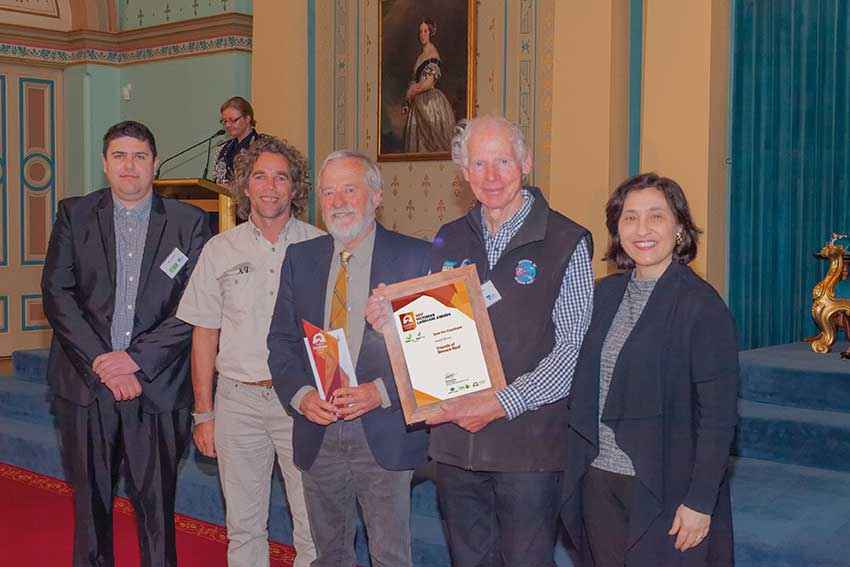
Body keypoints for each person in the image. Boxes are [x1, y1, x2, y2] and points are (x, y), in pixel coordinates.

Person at [367, 115, 594, 566]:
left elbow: (572, 351)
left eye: (503, 161)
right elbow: (429, 329)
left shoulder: (566, 241)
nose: (491, 176)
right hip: (455, 446)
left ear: (526, 163)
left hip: (527, 447)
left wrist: (502, 403)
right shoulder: (448, 238)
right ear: (464, 172)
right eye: (479, 164)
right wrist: (391, 323)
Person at [42, 120, 211, 567]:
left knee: (156, 507)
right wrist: (103, 362)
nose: (129, 166)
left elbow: (195, 305)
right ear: (104, 164)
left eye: (139, 156)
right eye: (119, 156)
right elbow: (57, 294)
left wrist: (134, 361)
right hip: (87, 384)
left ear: (156, 164)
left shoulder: (190, 222)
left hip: (156, 386)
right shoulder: (74, 214)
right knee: (90, 505)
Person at [560, 173, 738, 566]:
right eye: (630, 218)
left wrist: (700, 501)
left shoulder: (701, 306)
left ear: (679, 228)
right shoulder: (603, 295)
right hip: (598, 478)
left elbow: (719, 416)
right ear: (617, 228)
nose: (642, 230)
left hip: (666, 485)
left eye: (656, 216)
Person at [268, 150, 430, 567]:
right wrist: (302, 396)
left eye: (349, 190)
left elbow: (432, 350)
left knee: (390, 556)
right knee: (330, 556)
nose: (337, 202)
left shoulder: (416, 259)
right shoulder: (300, 258)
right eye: (328, 192)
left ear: (376, 196)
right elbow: (281, 342)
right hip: (318, 428)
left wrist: (380, 392)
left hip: (384, 428)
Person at [176, 135, 322, 567]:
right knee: (243, 528)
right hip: (237, 402)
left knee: (313, 527)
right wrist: (204, 413)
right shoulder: (220, 249)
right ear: (245, 185)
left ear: (295, 188)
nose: (270, 187)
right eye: (260, 176)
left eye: (281, 177)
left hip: (301, 403)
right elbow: (204, 334)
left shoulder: (320, 246)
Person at [402, 19, 456, 153]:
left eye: (425, 31)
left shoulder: (432, 53)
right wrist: (407, 100)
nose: (422, 35)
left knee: (433, 142)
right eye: (420, 32)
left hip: (430, 103)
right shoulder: (420, 56)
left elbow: (429, 82)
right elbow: (415, 80)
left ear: (431, 32)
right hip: (417, 102)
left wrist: (412, 92)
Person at [213, 96, 259, 187]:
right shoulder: (223, 148)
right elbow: (217, 179)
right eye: (225, 121)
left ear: (247, 118)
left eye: (233, 120)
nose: (227, 125)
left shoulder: (262, 145)